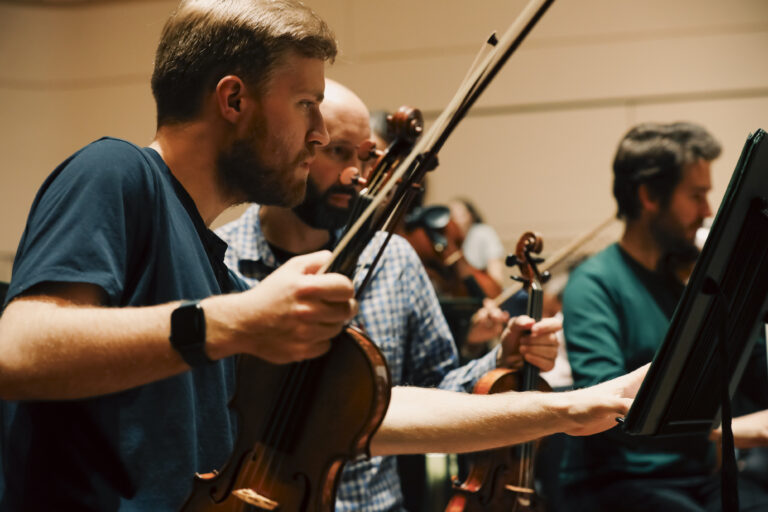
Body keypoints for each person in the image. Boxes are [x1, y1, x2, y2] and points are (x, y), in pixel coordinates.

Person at [0, 1, 647, 509]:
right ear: (233, 101)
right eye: (306, 103)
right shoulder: (116, 173)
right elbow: (19, 349)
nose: (317, 133)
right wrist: (238, 322)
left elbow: (365, 411)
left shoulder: (215, 263)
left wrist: (570, 409)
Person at [216, 78, 560, 510]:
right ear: (295, 147)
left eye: (365, 157)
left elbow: (439, 389)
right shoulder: (219, 258)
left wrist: (500, 361)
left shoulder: (393, 259)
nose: (356, 175)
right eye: (338, 152)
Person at [559, 122, 768, 511]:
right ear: (650, 195)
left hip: (696, 479)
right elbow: (607, 409)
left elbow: (755, 371)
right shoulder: (594, 283)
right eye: (697, 195)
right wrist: (723, 431)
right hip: (618, 483)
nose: (708, 210)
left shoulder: (695, 278)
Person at [448, 197, 506, 288]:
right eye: (451, 217)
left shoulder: (483, 232)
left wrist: (494, 291)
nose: (454, 221)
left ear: (470, 216)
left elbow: (496, 272)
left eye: (458, 216)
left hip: (482, 289)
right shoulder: (446, 239)